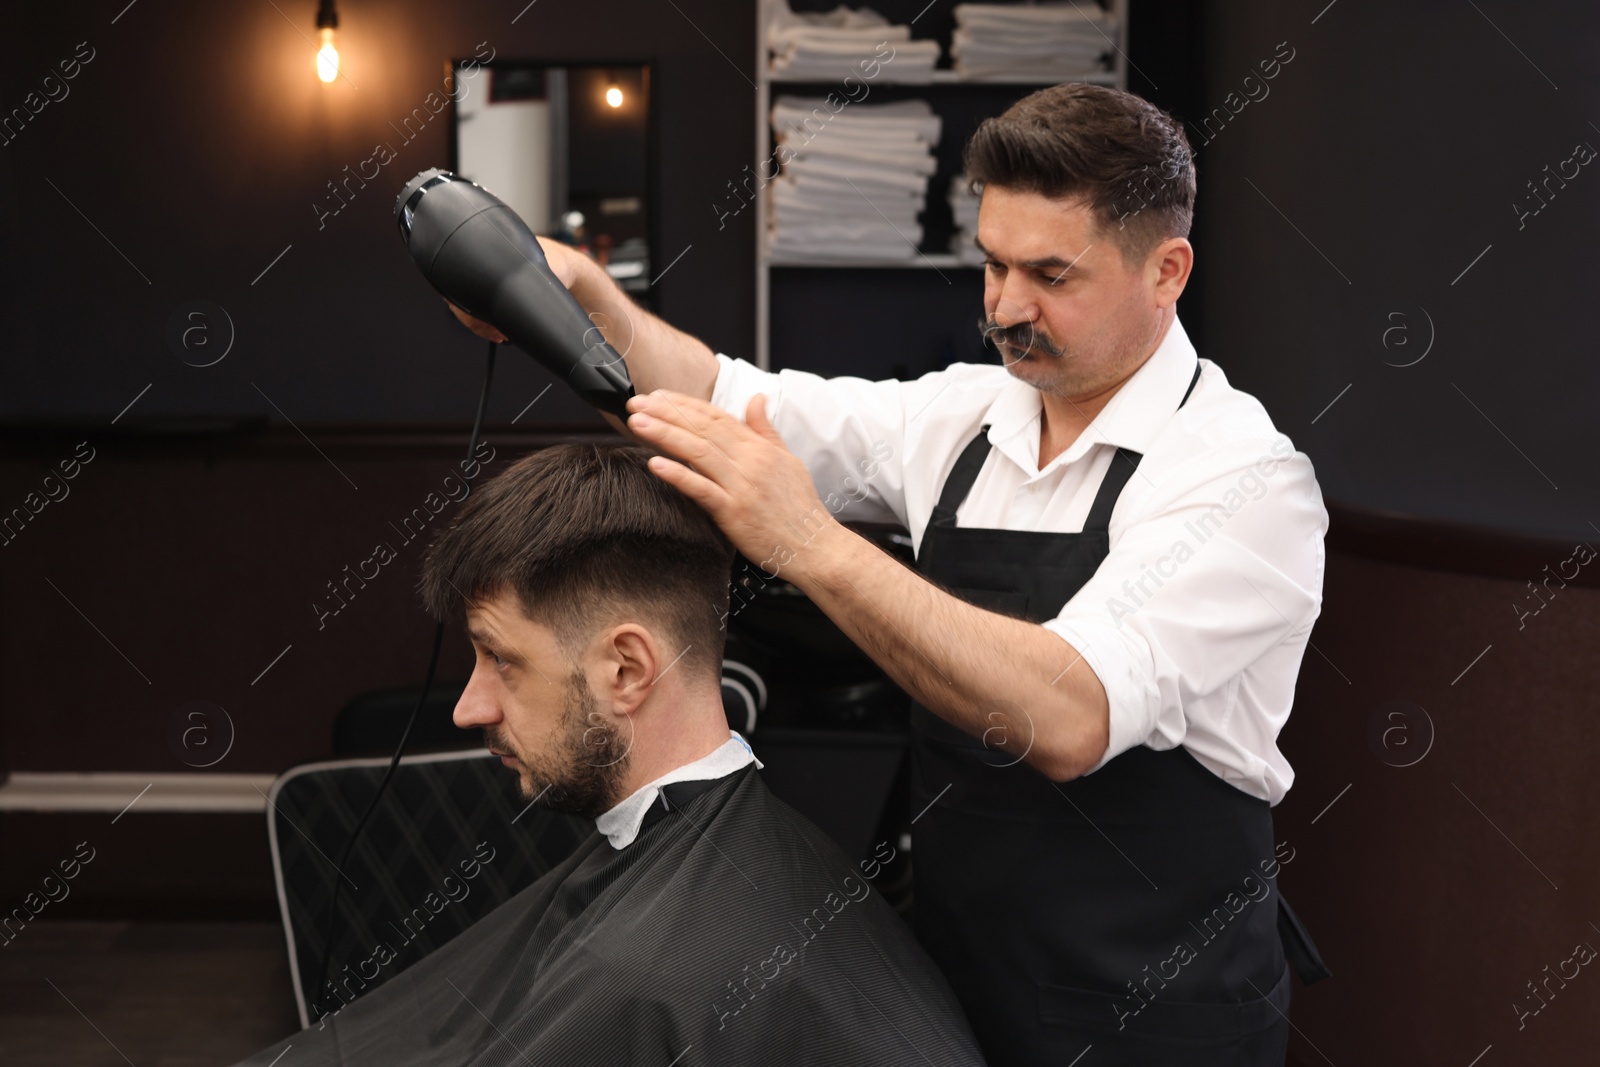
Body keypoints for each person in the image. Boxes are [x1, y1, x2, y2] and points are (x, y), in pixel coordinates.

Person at [451, 83, 1331, 1065]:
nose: (1004, 305)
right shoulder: (960, 421)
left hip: (1154, 1015)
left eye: (1050, 274)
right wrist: (590, 308)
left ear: (1165, 270)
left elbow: (1070, 713)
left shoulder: (1239, 481)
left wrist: (811, 542)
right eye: (992, 263)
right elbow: (717, 398)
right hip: (949, 982)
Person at [231, 444, 986, 1067]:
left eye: (501, 659)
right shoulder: (773, 856)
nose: (469, 706)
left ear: (626, 670)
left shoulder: (645, 975)